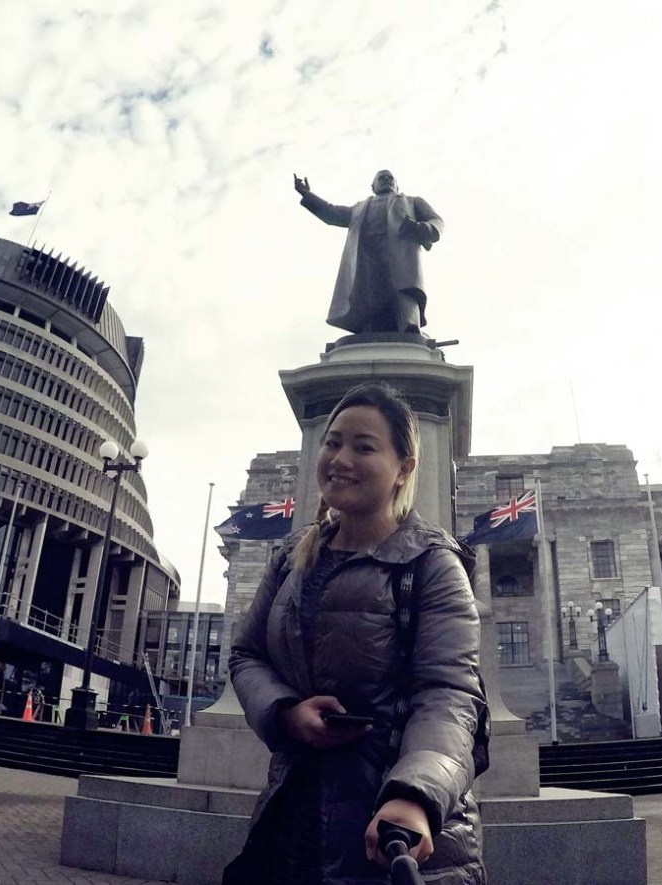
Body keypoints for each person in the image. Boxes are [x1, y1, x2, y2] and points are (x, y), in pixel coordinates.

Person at [224, 382, 487, 885]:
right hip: (292, 815)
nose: (340, 458)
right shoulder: (294, 557)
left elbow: (450, 695)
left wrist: (414, 796)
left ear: (404, 469)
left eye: (364, 446)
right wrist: (284, 711)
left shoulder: (432, 563)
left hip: (391, 829)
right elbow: (246, 653)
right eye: (333, 441)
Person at [294, 170, 444, 336]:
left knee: (404, 295)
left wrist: (425, 228)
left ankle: (409, 331)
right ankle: (369, 332)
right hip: (368, 259)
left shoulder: (412, 202)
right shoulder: (359, 208)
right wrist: (308, 195)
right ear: (373, 186)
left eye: (390, 177)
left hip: (401, 258)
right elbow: (332, 213)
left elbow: (436, 220)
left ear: (397, 185)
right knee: (370, 296)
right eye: (381, 177)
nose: (386, 179)